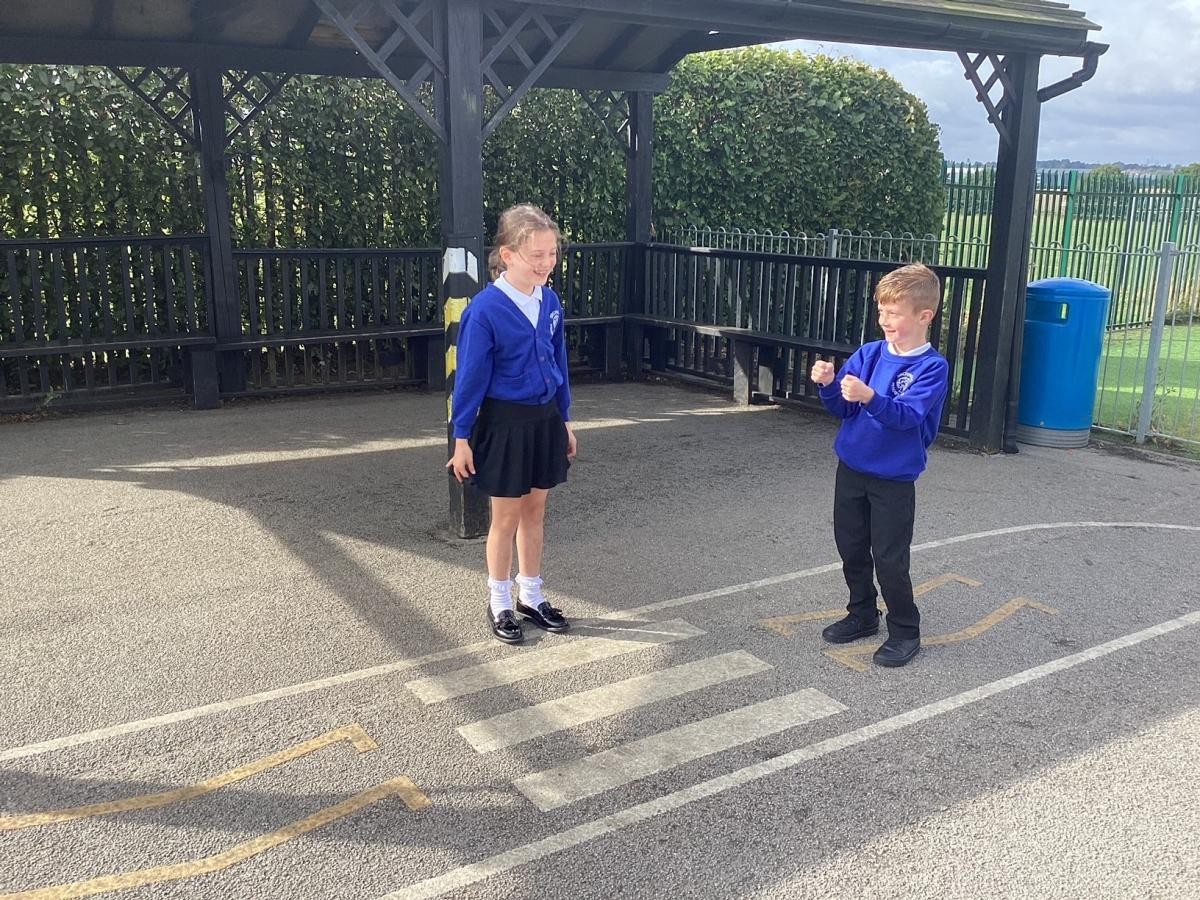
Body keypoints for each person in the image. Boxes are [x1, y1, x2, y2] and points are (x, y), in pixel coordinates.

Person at [446, 204, 577, 645]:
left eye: (551, 254)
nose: (546, 263)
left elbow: (559, 362)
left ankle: (531, 595)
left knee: (535, 512)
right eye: (536, 255)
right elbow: (470, 378)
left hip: (544, 420)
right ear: (507, 255)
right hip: (505, 424)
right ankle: (500, 601)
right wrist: (461, 438)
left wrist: (564, 420)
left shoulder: (550, 301)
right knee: (505, 518)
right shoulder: (484, 310)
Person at [809, 263, 949, 667]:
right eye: (881, 311)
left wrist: (870, 396)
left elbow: (906, 417)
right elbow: (843, 408)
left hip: (893, 479)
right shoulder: (869, 354)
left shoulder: (931, 367)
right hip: (852, 469)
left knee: (889, 558)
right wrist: (828, 384)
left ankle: (905, 630)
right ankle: (862, 613)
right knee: (851, 547)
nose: (884, 320)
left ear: (924, 316)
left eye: (894, 313)